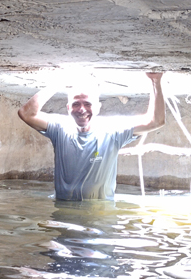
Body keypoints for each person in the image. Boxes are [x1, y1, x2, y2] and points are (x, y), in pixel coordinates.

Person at [18, 72, 166, 200]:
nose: (82, 110)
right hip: (64, 212)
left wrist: (155, 81)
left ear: (98, 108)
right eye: (76, 104)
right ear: (68, 108)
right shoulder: (60, 128)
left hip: (100, 215)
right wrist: (59, 83)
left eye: (88, 104)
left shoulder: (112, 130)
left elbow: (156, 121)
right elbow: (26, 113)